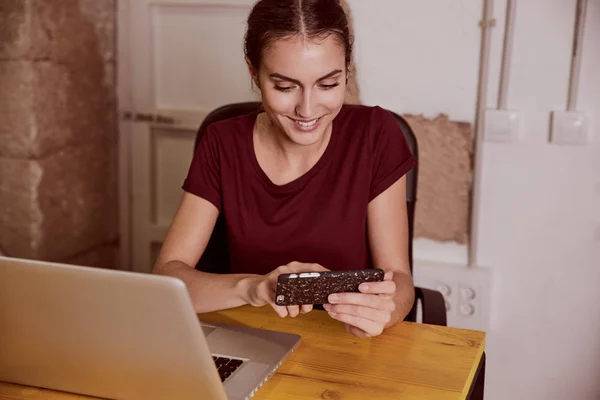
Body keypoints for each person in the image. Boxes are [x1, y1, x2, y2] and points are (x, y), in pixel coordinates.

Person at [153, 0, 416, 338]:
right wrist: (257, 288)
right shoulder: (223, 142)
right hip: (249, 338)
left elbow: (400, 278)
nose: (307, 110)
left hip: (343, 342)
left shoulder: (376, 134)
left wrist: (386, 310)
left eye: (328, 84)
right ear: (253, 71)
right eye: (284, 86)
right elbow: (168, 278)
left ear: (347, 69)